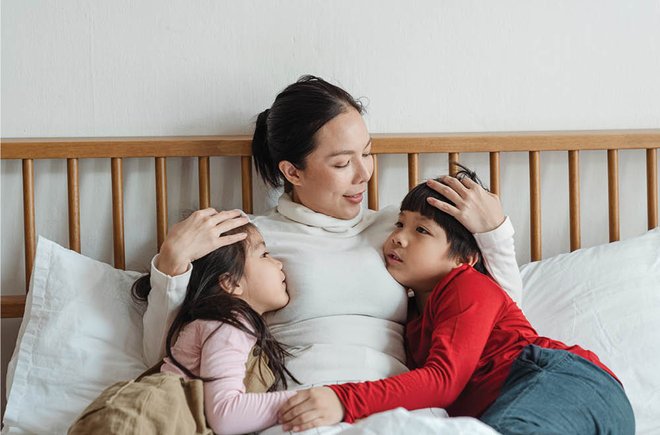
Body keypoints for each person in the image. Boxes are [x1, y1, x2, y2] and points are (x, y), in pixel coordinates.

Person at [141, 75, 523, 429]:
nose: (364, 174)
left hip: (399, 408)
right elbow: (171, 355)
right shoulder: (252, 239)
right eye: (342, 163)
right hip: (304, 407)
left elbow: (490, 313)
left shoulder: (402, 231)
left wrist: (495, 234)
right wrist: (171, 269)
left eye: (367, 154)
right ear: (292, 172)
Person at [277, 170, 635, 435]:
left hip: (561, 382)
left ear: (462, 259)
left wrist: (343, 400)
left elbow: (443, 381)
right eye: (400, 224)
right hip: (535, 403)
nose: (399, 238)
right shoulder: (414, 316)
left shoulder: (468, 287)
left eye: (421, 231)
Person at [133, 222, 300, 435]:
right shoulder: (227, 324)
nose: (278, 264)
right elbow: (225, 414)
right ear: (231, 283)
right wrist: (310, 399)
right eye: (265, 255)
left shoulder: (228, 325)